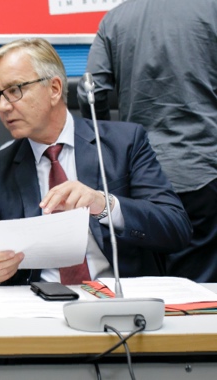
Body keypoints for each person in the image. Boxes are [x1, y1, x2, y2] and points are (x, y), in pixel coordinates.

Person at [0, 38, 191, 286]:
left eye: (15, 90)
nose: (4, 107)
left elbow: (176, 228)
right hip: (37, 303)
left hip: (117, 298)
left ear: (54, 89)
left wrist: (103, 204)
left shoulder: (124, 143)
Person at [77, 0, 217, 282]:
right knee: (202, 294)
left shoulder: (115, 19)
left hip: (141, 176)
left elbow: (91, 92)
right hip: (205, 168)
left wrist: (109, 149)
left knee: (147, 284)